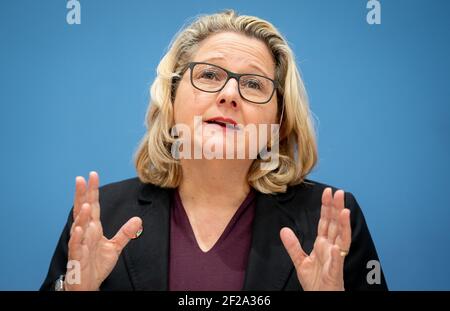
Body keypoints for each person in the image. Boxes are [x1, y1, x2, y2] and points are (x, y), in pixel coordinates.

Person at [40, 10, 387, 291]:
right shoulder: (102, 217)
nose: (230, 94)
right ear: (171, 101)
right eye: (208, 75)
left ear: (278, 122)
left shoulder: (332, 221)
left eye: (253, 83)